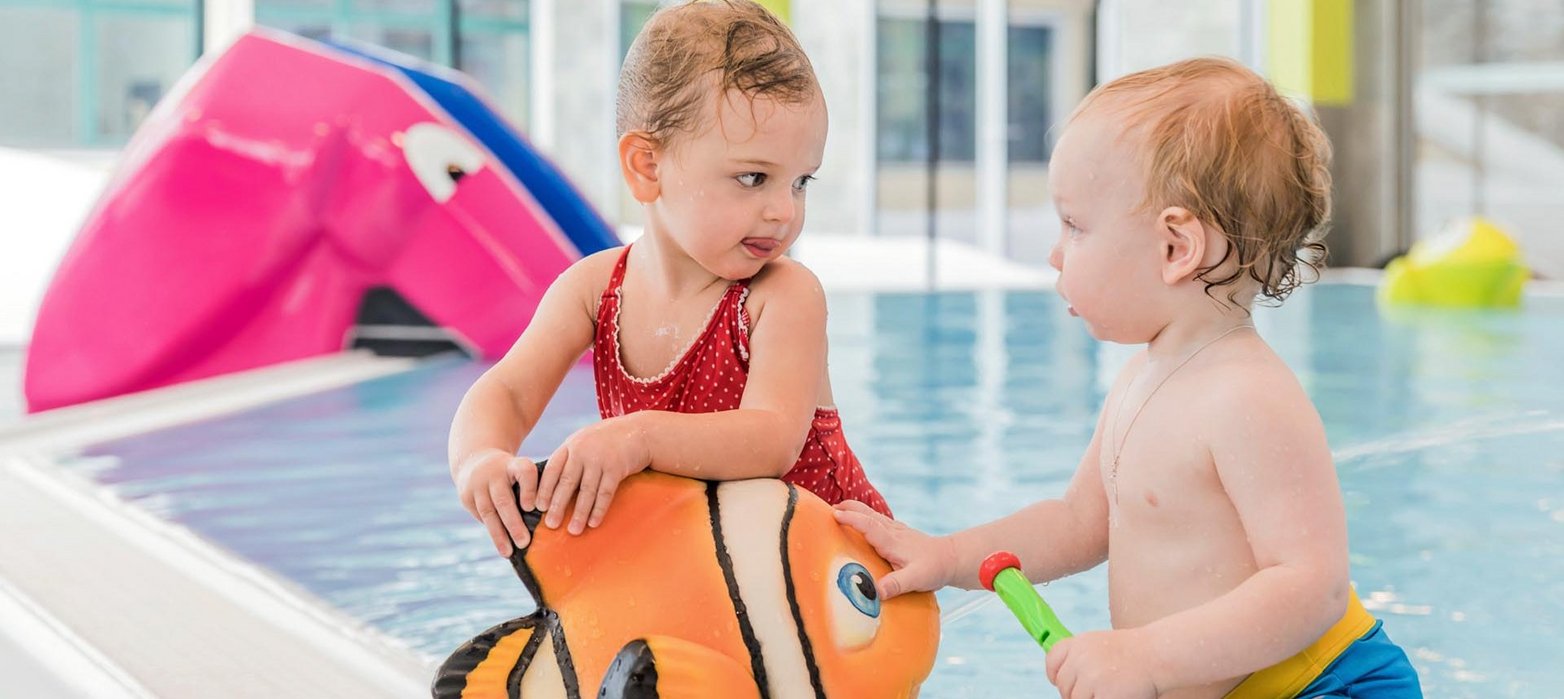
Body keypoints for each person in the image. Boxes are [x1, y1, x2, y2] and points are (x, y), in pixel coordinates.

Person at [834, 57, 1422, 698]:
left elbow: (1312, 587)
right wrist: (947, 556)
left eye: (1075, 226)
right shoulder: (1142, 377)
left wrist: (1147, 657)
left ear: (1176, 249)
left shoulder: (1247, 397)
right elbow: (1076, 522)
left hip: (1327, 686)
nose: (1055, 252)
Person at [449, 0, 891, 558]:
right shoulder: (594, 291)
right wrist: (481, 460)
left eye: (801, 181)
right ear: (647, 167)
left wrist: (638, 437)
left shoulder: (781, 296)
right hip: (707, 570)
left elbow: (771, 440)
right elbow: (507, 390)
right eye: (753, 178)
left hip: (833, 576)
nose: (784, 210)